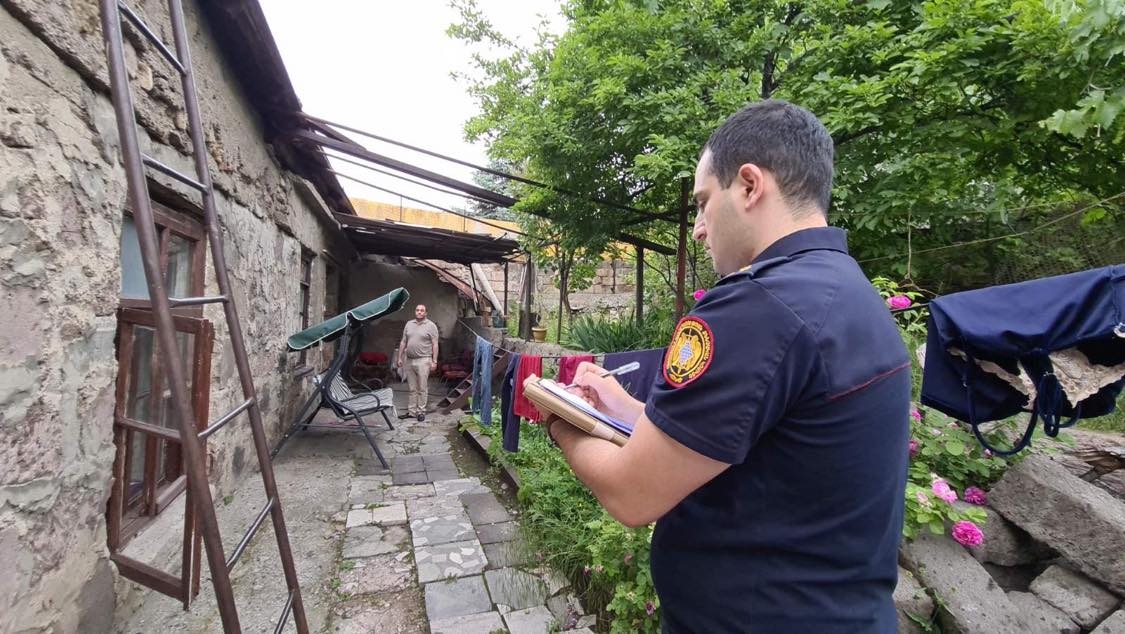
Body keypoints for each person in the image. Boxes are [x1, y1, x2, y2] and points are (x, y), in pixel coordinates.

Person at [553, 100, 911, 633]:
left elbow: (631, 494)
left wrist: (558, 418)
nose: (699, 229)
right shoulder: (847, 292)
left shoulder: (758, 305)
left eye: (703, 203)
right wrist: (622, 405)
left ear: (748, 185)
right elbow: (751, 441)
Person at [396, 304, 439, 421]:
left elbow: (435, 344)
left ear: (426, 313)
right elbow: (403, 341)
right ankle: (411, 412)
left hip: (424, 360)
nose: (419, 312)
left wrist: (434, 361)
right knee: (412, 388)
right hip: (409, 360)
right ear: (415, 312)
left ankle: (421, 411)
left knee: (422, 388)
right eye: (417, 310)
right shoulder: (409, 324)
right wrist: (399, 357)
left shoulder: (431, 326)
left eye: (422, 310)